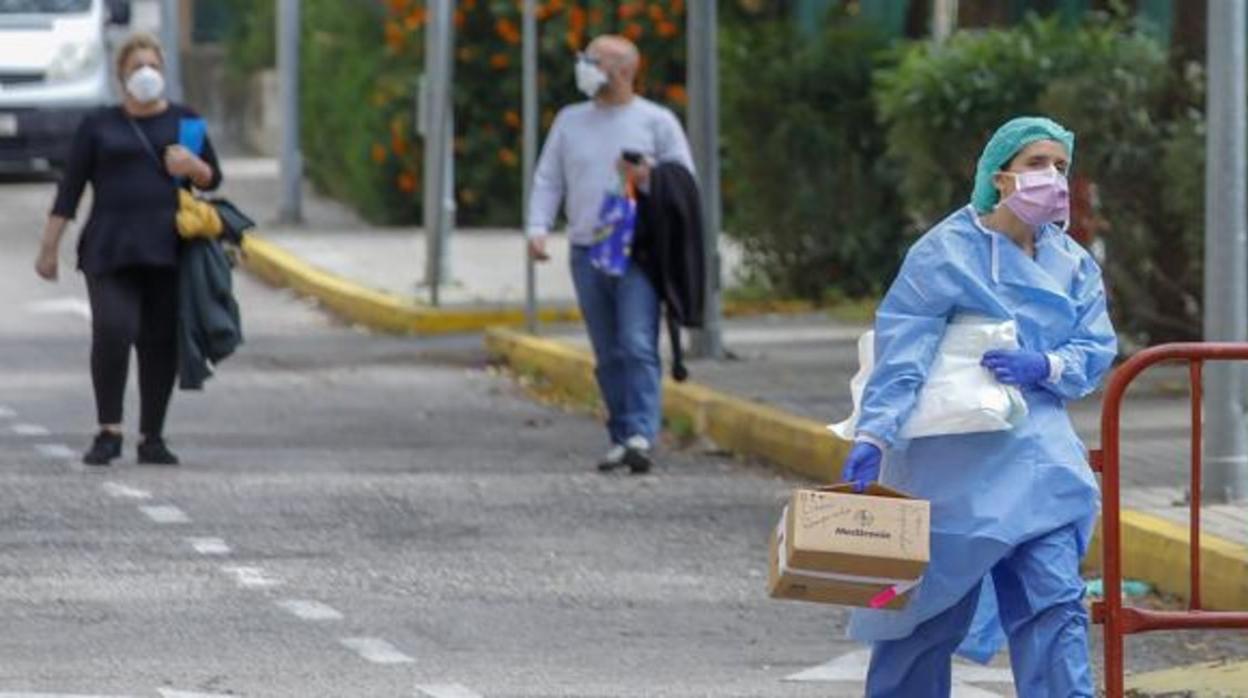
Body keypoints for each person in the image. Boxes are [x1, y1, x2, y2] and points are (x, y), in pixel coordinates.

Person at [839, 116, 1116, 697]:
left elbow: (1095, 345)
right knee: (921, 619)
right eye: (1037, 164)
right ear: (1000, 175)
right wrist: (874, 435)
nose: (1053, 178)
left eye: (1060, 167)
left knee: (1055, 610)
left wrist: (1047, 366)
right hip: (952, 473)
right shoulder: (945, 253)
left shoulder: (1071, 263)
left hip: (1042, 465)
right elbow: (903, 351)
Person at [34, 32, 222, 467]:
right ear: (121, 75)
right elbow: (70, 189)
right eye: (137, 66)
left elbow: (213, 179)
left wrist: (192, 166)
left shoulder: (185, 122)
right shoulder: (99, 125)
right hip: (109, 249)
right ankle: (108, 430)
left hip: (169, 249)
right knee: (114, 331)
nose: (146, 74)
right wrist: (49, 248)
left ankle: (152, 436)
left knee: (159, 342)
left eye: (153, 66)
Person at [526, 35, 695, 474]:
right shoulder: (570, 120)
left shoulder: (656, 122)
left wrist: (648, 174)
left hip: (636, 252)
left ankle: (641, 432)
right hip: (587, 251)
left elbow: (685, 180)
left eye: (593, 61)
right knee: (608, 351)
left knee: (637, 342)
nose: (584, 67)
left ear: (624, 70)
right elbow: (548, 179)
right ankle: (622, 434)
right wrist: (538, 228)